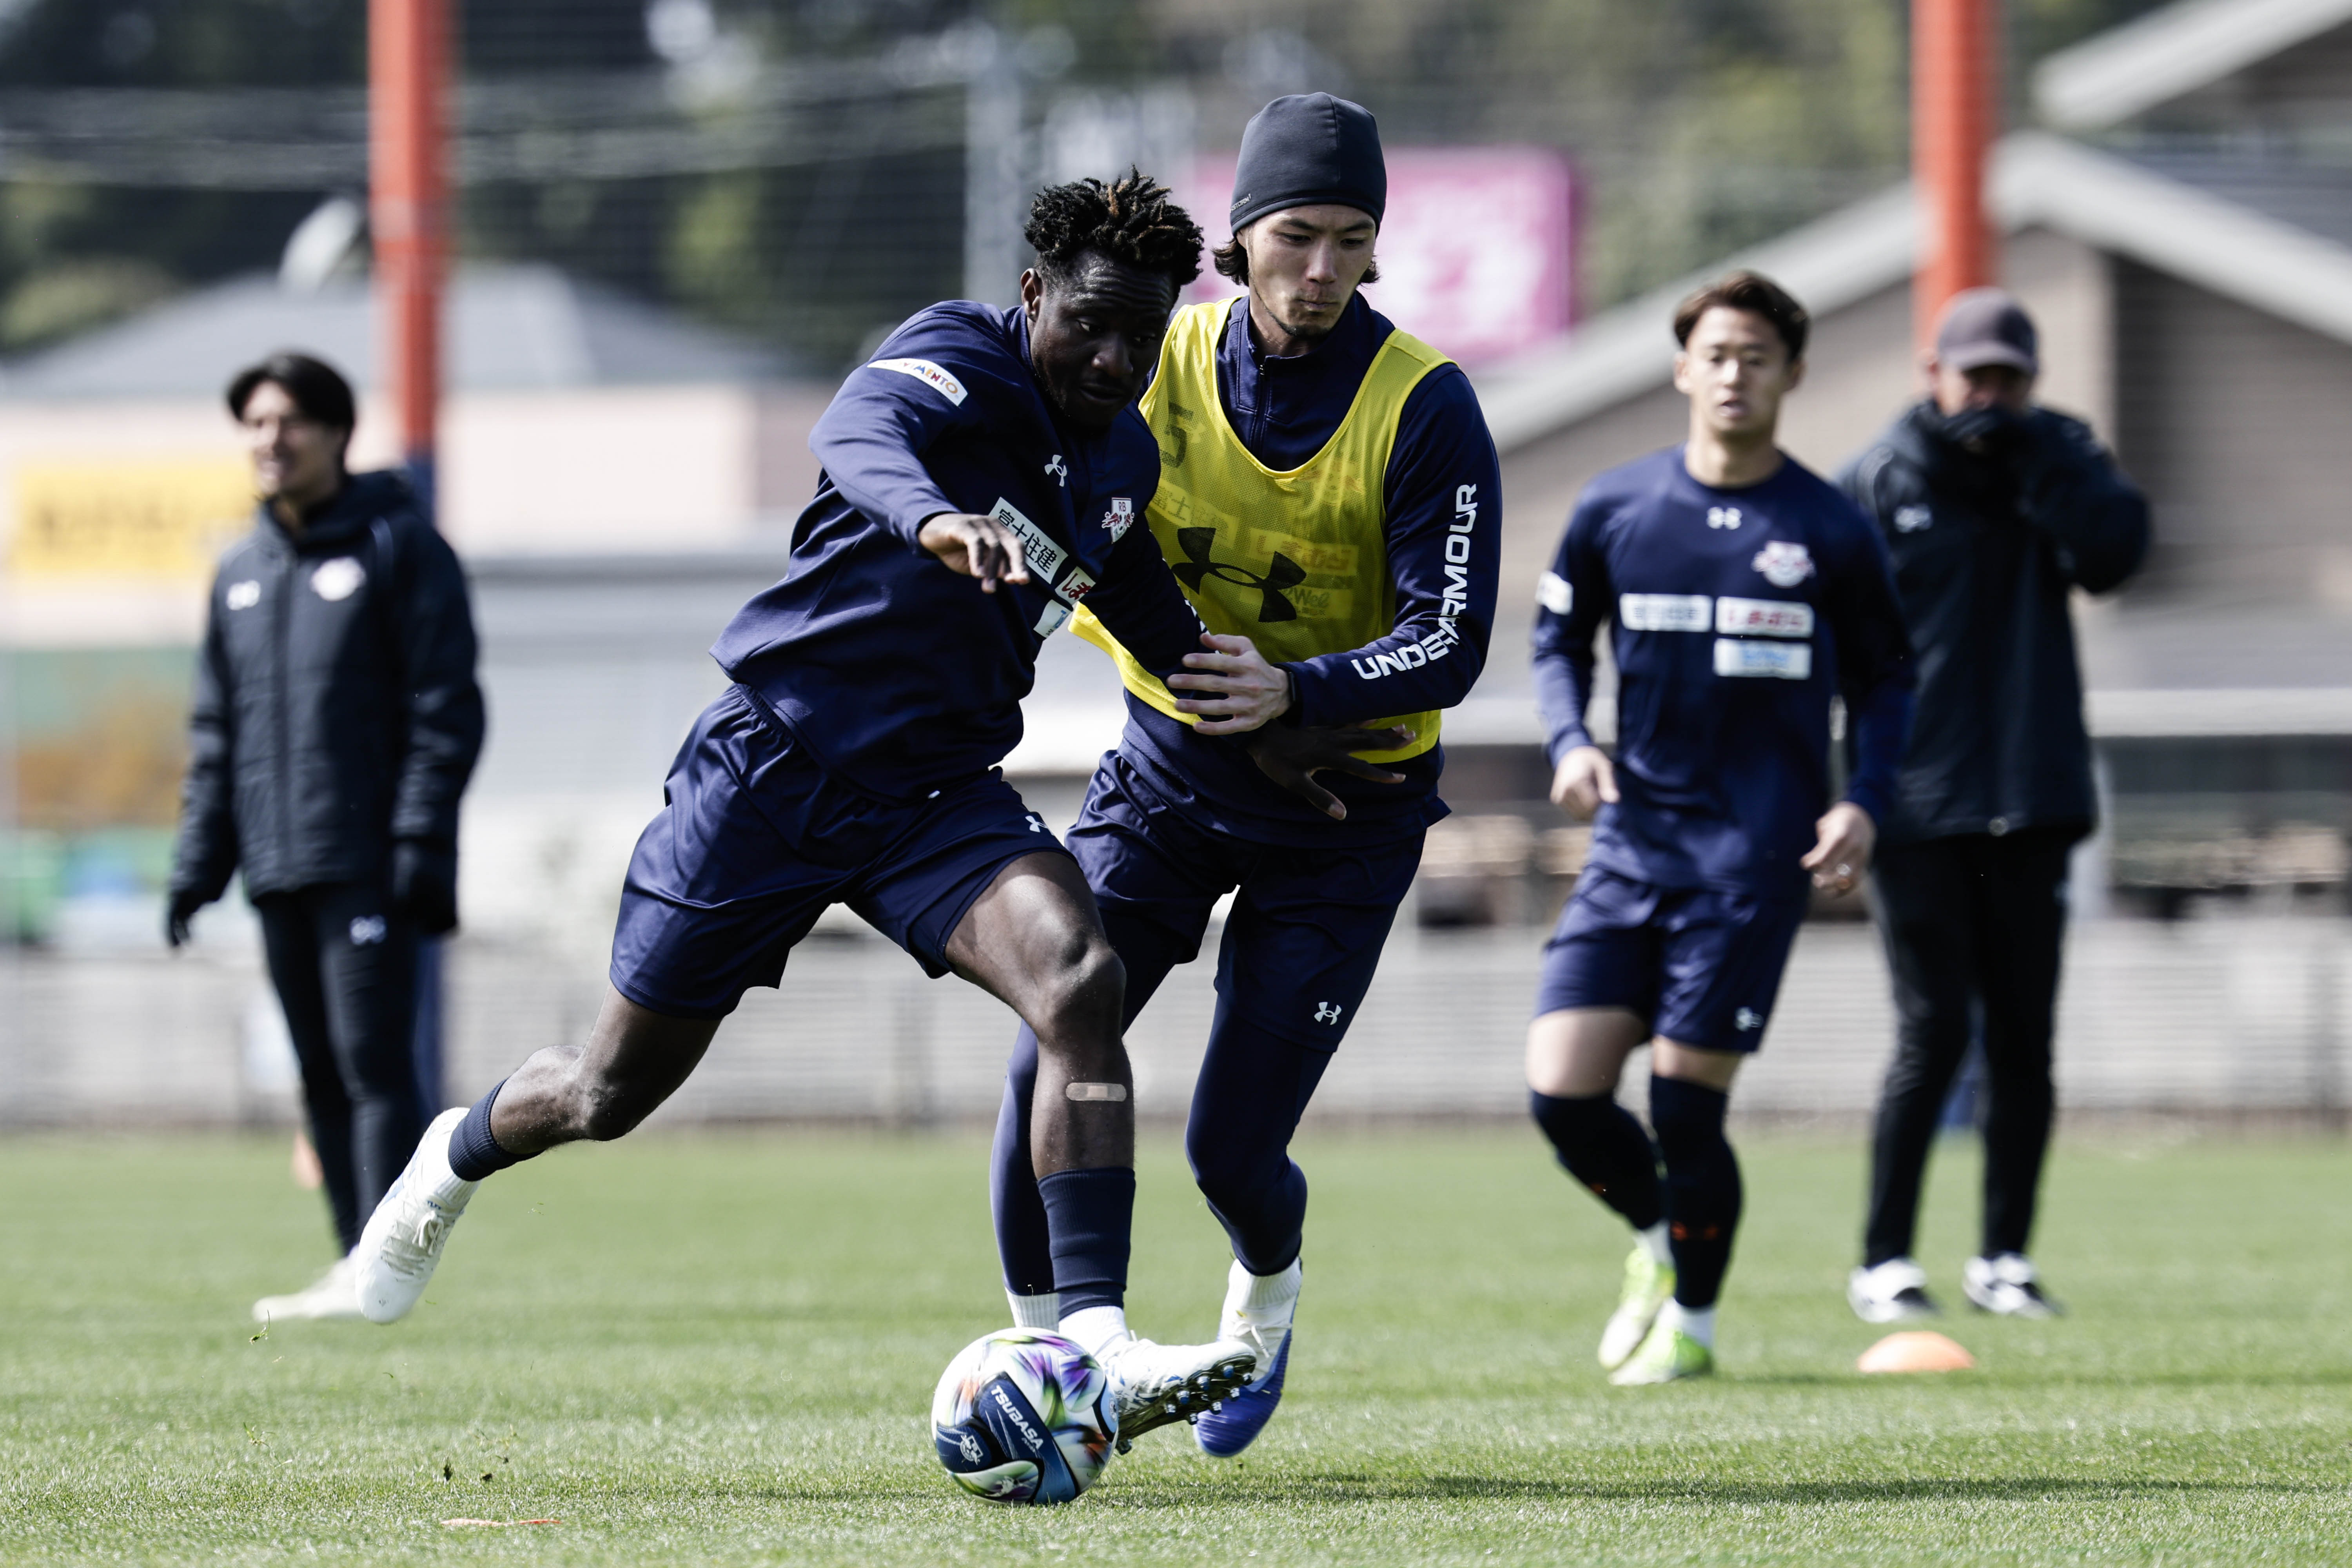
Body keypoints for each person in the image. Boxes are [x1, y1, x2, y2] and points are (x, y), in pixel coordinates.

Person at [349, 174, 1302, 1454]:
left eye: (1143, 335)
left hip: (935, 800)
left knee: (1080, 978)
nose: (1115, 360)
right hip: (772, 770)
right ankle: (446, 1163)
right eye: (1090, 324)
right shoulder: (956, 355)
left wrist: (1282, 735)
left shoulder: (1121, 458)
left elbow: (1145, 611)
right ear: (1034, 296)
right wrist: (935, 521)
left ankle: (1091, 1346)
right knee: (607, 1092)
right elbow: (859, 437)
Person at [987, 93, 1502, 1458]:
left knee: (1230, 1149)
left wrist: (1301, 696)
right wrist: (1218, 701)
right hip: (1166, 781)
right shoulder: (1150, 359)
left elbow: (1452, 640)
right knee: (1050, 1062)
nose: (1321, 269)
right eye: (1294, 236)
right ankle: (1053, 1380)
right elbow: (1059, 529)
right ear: (1240, 235)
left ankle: (1263, 1304)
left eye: (1351, 240)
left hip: (1348, 814)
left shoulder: (1426, 405)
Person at [1524, 271, 1913, 1384]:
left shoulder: (1829, 527)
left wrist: (1862, 798)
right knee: (1561, 1094)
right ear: (1683, 369)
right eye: (1717, 354)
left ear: (1794, 374)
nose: (1734, 373)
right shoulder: (1617, 507)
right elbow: (1558, 643)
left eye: (1757, 356)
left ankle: (1691, 1326)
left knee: (1684, 1108)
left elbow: (1889, 680)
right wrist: (1571, 741)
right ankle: (1659, 1238)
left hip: (1753, 860)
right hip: (1630, 848)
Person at [1839, 288, 2149, 1323]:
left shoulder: (2057, 459)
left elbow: (2114, 556)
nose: (1990, 396)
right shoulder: (1880, 478)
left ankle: (2004, 1259)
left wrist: (2044, 461)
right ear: (1935, 374)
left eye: (2009, 379)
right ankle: (1885, 1259)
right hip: (1916, 804)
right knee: (1932, 1031)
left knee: (2025, 1039)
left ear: (2032, 381)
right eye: (1975, 377)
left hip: (2030, 794)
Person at [167, 350, 484, 1323]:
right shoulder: (241, 571)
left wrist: (420, 841)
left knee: (372, 1062)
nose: (271, 439)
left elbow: (445, 707)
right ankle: (357, 1263)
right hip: (278, 863)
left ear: (338, 432)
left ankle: (388, 1266)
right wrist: (197, 866)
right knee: (317, 1072)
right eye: (257, 423)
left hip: (370, 862)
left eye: (290, 420)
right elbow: (217, 734)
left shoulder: (399, 546)